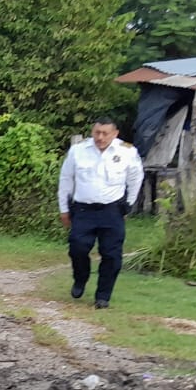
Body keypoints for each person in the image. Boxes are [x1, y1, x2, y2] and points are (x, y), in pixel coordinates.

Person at [57, 118, 144, 309]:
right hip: (83, 209)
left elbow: (136, 177)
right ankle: (80, 278)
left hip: (111, 210)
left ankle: (103, 296)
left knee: (112, 255)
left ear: (115, 134)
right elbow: (66, 180)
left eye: (105, 133)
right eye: (97, 132)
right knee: (77, 248)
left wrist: (128, 204)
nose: (100, 137)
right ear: (92, 132)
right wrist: (64, 208)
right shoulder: (78, 151)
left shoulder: (127, 152)